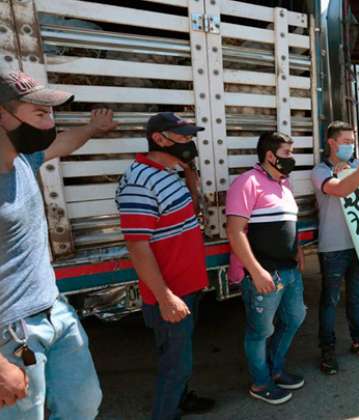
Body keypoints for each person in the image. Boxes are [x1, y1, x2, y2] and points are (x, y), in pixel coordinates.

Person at [0, 71, 115, 419]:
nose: (49, 123)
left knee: (84, 406)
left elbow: (64, 142)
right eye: (39, 114)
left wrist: (94, 128)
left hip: (56, 311)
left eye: (51, 114)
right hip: (11, 334)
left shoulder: (23, 160)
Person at [116, 112, 215, 419]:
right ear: (159, 139)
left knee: (178, 356)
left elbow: (189, 214)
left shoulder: (168, 174)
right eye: (183, 137)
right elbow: (137, 245)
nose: (189, 142)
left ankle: (181, 398)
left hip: (188, 286)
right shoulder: (139, 181)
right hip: (171, 293)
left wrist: (191, 178)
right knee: (176, 363)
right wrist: (165, 297)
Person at [226, 132, 306, 405]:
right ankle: (260, 384)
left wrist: (298, 249)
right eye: (286, 153)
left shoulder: (285, 185)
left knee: (295, 318)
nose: (291, 159)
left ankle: (275, 369)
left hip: (289, 272)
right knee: (260, 332)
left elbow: (289, 222)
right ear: (270, 155)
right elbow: (235, 232)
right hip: (264, 274)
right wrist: (256, 271)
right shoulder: (246, 183)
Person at [311, 121, 359, 376]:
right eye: (345, 142)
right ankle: (327, 349)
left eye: (352, 142)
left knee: (357, 297)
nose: (350, 146)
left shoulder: (357, 167)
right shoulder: (320, 171)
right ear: (331, 142)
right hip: (333, 246)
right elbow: (340, 189)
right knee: (330, 300)